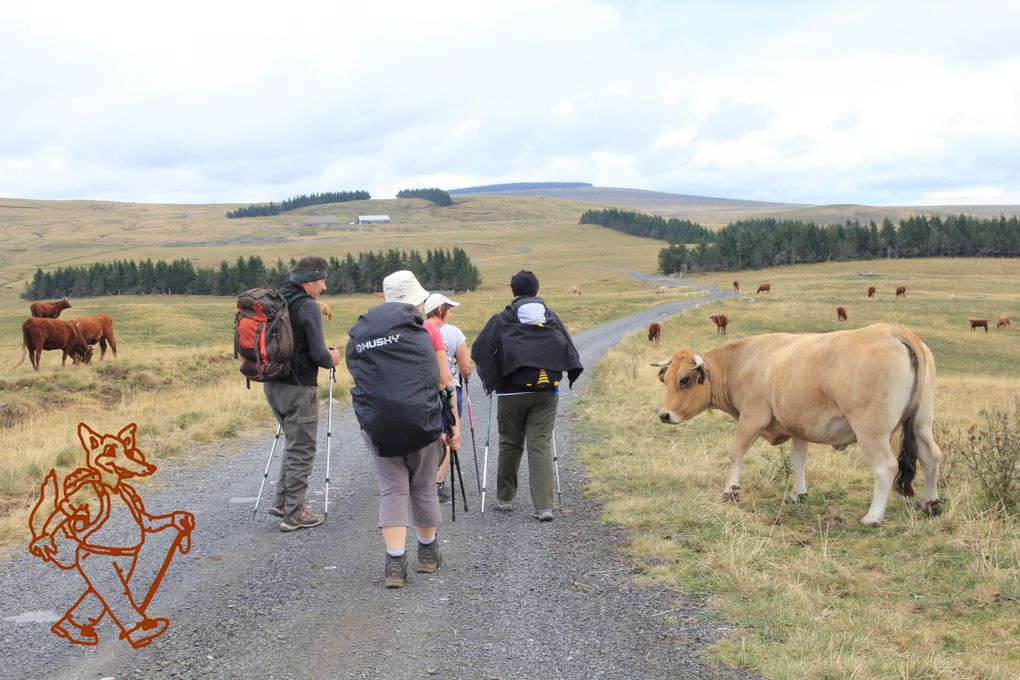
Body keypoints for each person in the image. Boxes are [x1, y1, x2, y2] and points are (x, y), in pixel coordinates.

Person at [353, 271, 460, 588]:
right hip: (422, 422)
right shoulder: (427, 330)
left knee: (393, 489)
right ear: (416, 299)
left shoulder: (362, 333)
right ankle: (427, 554)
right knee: (423, 487)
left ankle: (395, 565)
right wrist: (452, 427)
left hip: (378, 424)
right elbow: (444, 381)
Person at [471, 270, 583, 522]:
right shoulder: (550, 316)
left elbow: (479, 349)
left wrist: (495, 377)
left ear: (513, 291)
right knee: (540, 444)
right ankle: (544, 506)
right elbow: (569, 347)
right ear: (537, 291)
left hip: (511, 392)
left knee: (510, 443)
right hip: (546, 392)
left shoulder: (502, 319)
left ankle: (505, 499)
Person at [264, 256, 342, 532]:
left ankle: (282, 501)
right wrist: (332, 357)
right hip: (299, 386)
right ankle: (295, 512)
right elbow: (319, 355)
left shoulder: (275, 300)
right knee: (303, 448)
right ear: (309, 281)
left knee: (293, 441)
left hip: (272, 384)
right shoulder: (307, 306)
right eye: (322, 281)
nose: (324, 287)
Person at [423, 292, 472, 502]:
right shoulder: (453, 332)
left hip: (423, 391)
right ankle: (438, 480)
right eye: (449, 308)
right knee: (448, 433)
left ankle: (422, 479)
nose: (451, 312)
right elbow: (466, 368)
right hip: (449, 390)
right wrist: (465, 374)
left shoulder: (418, 330)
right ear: (441, 309)